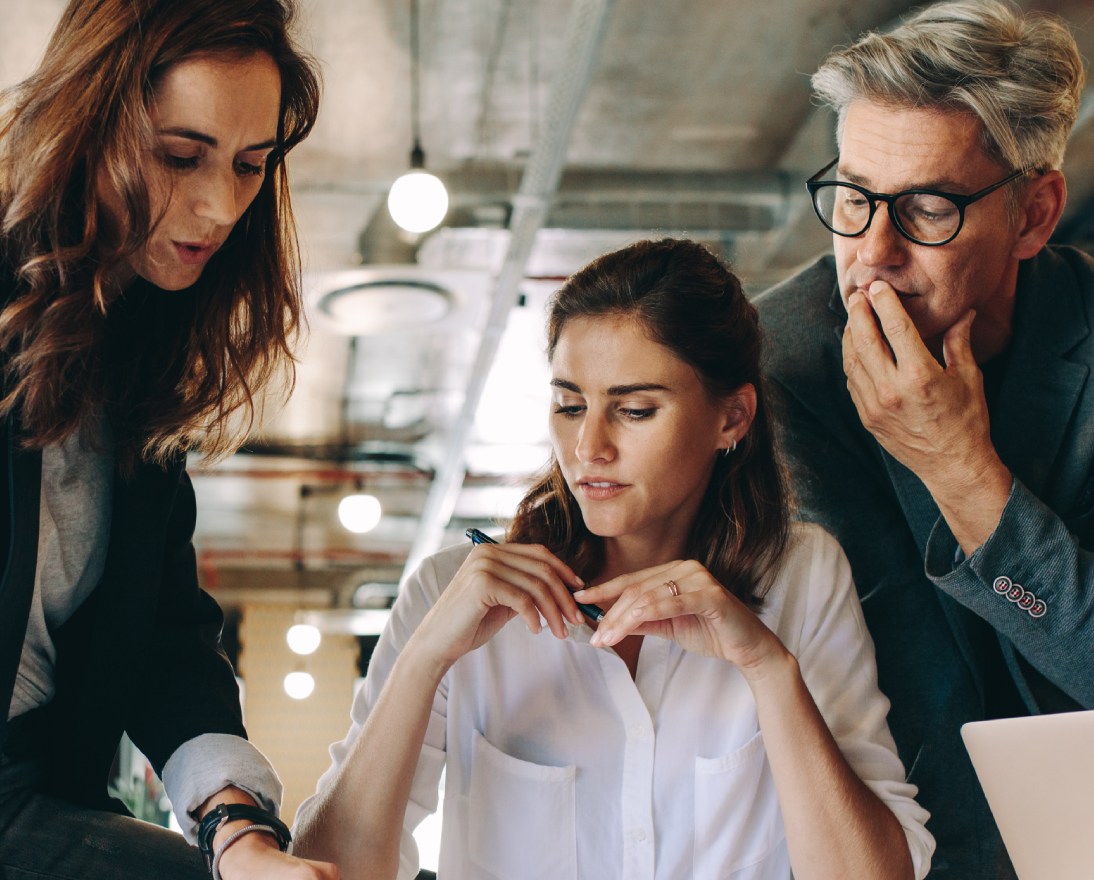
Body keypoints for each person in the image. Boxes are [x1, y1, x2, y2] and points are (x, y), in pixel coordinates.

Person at [292, 238, 934, 880]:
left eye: (634, 410)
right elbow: (332, 871)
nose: (588, 446)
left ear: (731, 418)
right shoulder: (447, 592)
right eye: (569, 406)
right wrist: (424, 659)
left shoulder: (803, 577)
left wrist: (766, 668)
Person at [0, 1, 338, 878]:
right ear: (86, 123)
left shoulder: (132, 351)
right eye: (180, 156)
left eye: (251, 165)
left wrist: (238, 831)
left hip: (42, 788)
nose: (221, 204)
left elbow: (160, 637)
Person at [754, 2, 1090, 877]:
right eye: (854, 199)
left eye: (927, 209)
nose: (873, 251)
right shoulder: (766, 372)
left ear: (1035, 214)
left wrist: (963, 473)